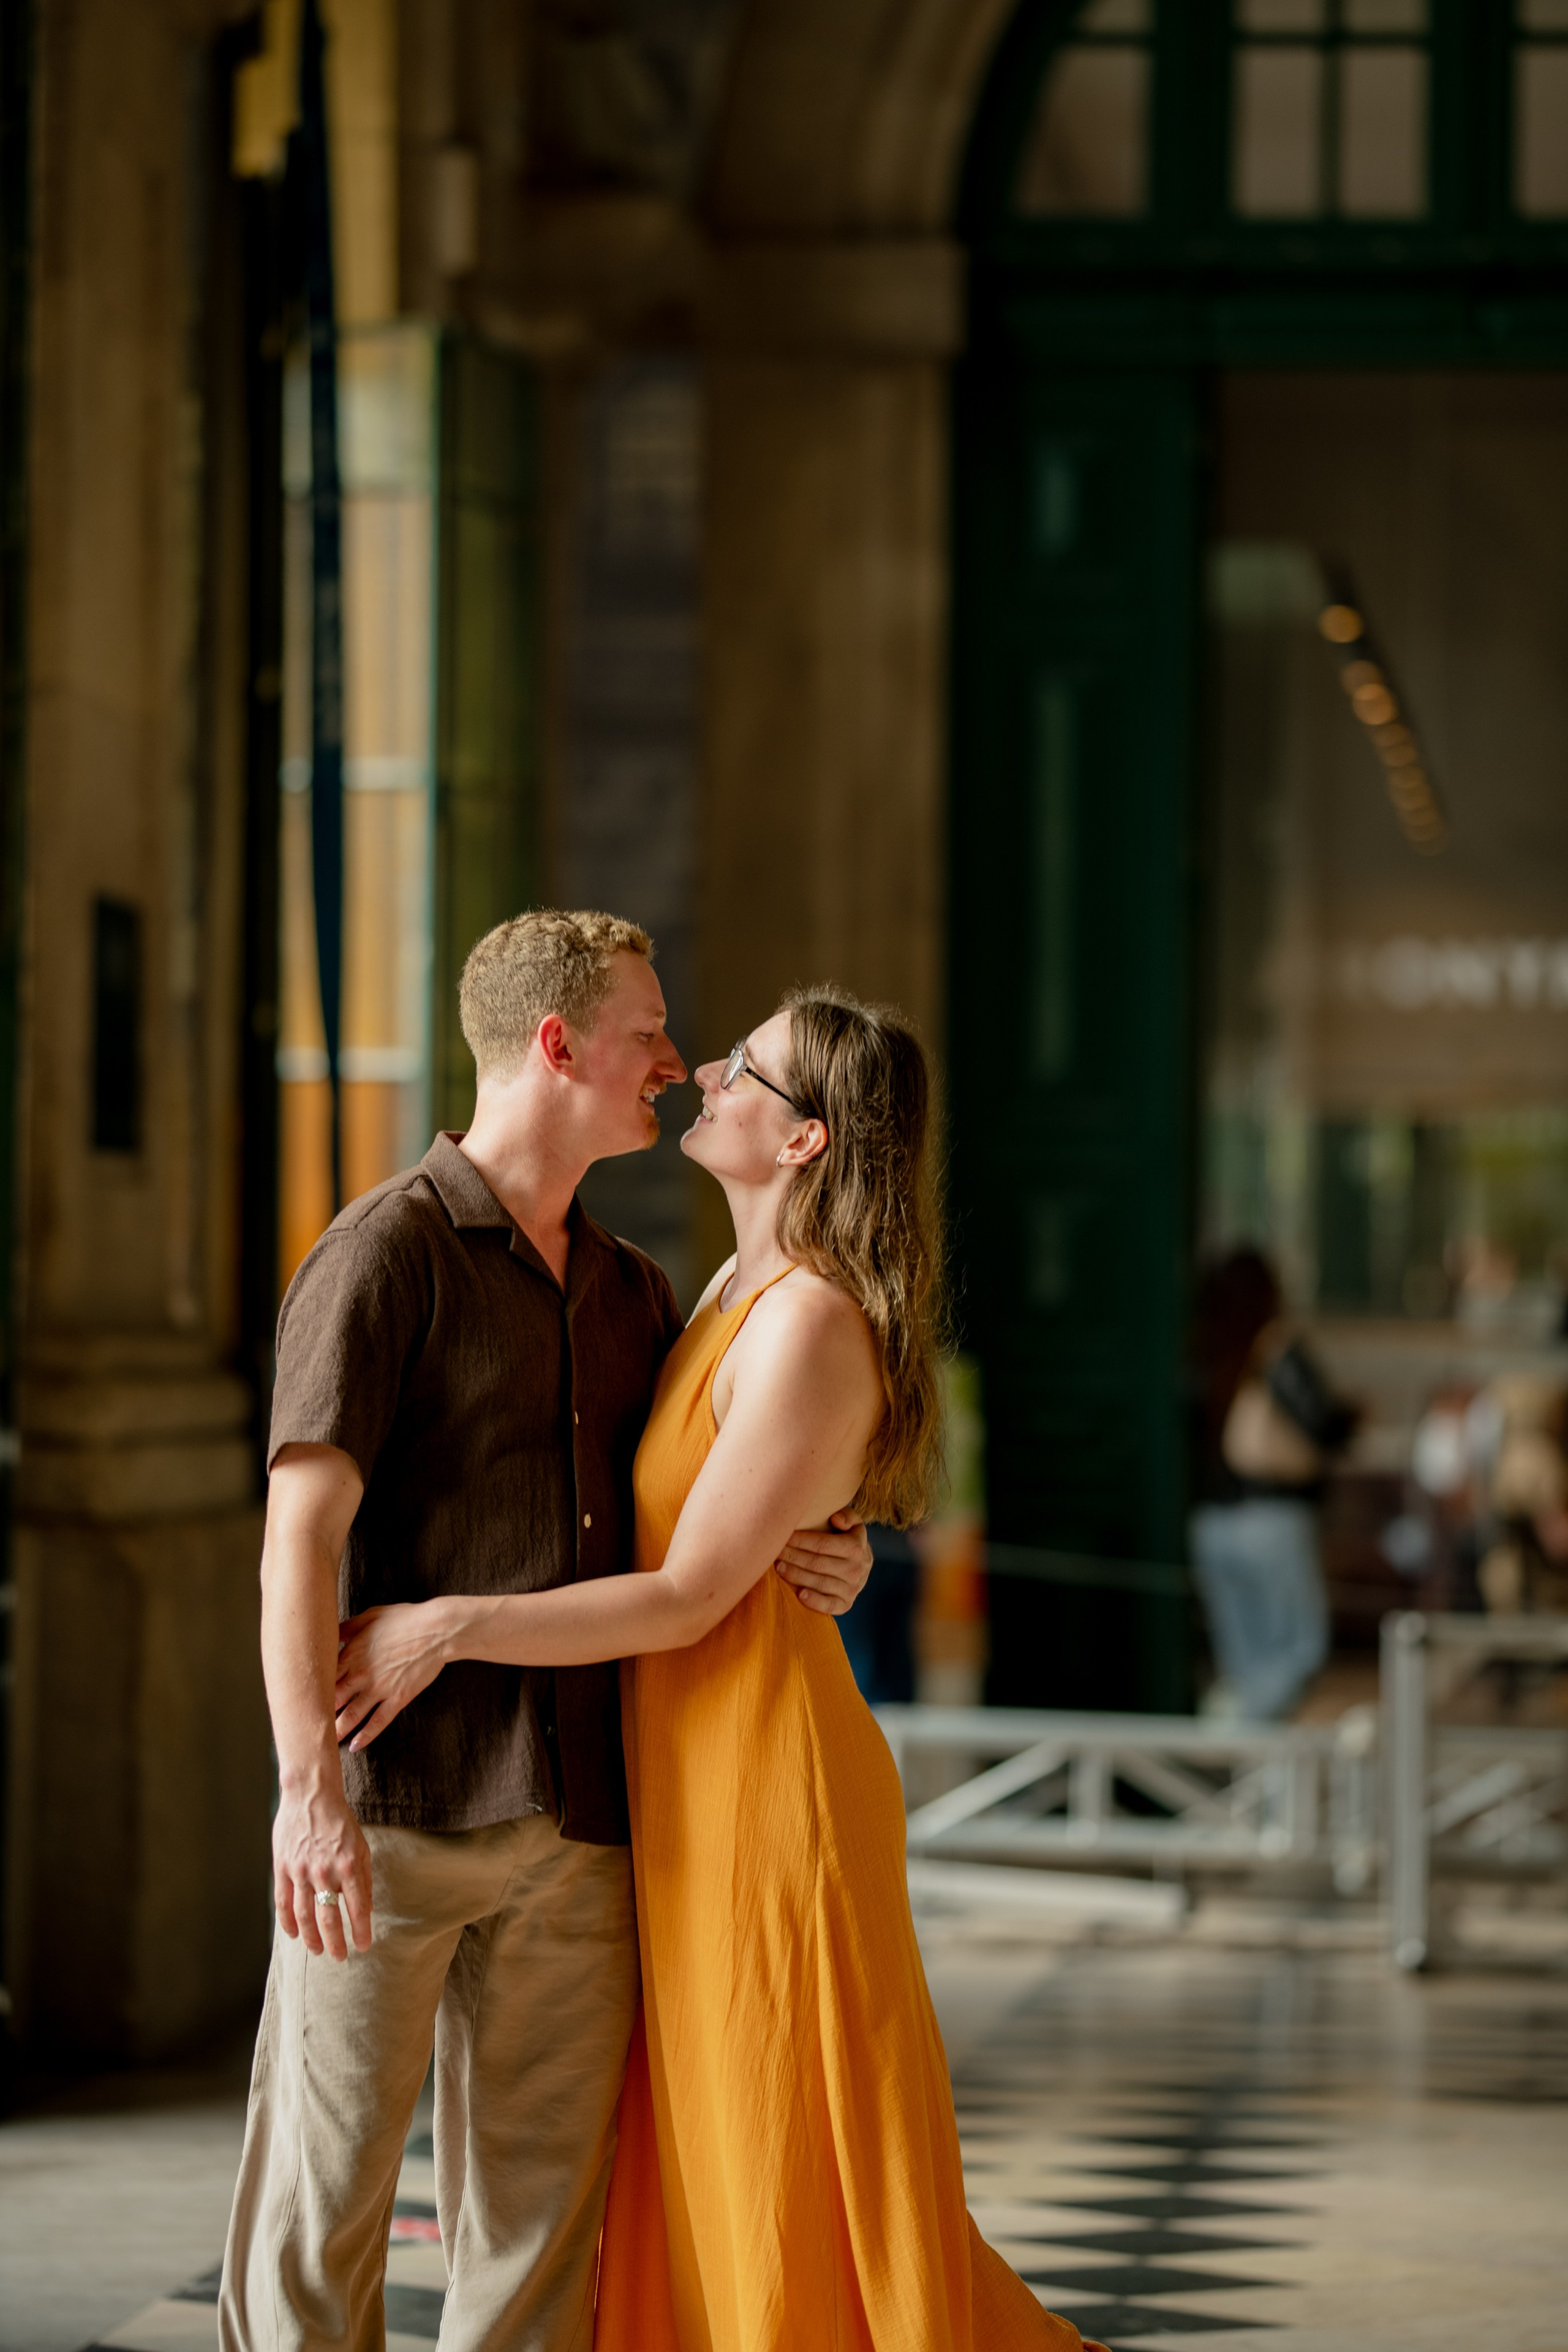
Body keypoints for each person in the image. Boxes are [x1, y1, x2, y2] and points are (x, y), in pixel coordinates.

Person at [335, 989, 1098, 2352]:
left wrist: (445, 1622)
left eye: (744, 1069)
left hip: (767, 1799)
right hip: (687, 1789)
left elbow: (688, 1597)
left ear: (803, 1142)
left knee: (777, 2149)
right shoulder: (723, 1296)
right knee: (715, 2153)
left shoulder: (806, 1321)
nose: (704, 1075)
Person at [218, 911, 873, 2352]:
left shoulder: (640, 1290)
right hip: (387, 1815)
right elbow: (297, 1547)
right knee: (316, 2218)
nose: (672, 1056)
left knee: (534, 2248)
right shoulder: (380, 1253)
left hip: (581, 1825)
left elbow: (702, 1512)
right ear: (557, 1043)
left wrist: (831, 1540)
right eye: (647, 1028)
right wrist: (304, 1795)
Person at [1187, 1248, 1355, 1722]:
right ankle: (1230, 1727)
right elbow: (1323, 1422)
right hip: (1272, 1520)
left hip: (1212, 1524)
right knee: (1298, 1652)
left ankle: (1259, 1776)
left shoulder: (1202, 1347)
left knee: (1248, 1667)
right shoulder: (1275, 1347)